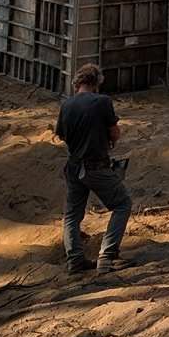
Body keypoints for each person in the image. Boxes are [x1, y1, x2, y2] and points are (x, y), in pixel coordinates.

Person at [55, 62, 131, 272]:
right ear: (96, 83)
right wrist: (107, 139)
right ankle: (108, 256)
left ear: (77, 83)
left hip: (73, 166)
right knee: (122, 204)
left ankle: (75, 260)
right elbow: (114, 132)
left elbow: (61, 135)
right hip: (95, 165)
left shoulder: (66, 105)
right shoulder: (102, 101)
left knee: (72, 215)